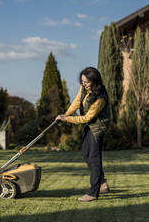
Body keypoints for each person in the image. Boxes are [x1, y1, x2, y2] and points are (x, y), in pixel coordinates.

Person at [56, 66, 110, 202]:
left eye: (86, 82)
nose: (84, 84)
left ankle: (93, 192)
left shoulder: (100, 98)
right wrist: (65, 114)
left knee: (94, 157)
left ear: (94, 81)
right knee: (85, 153)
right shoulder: (84, 88)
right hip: (90, 125)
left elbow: (86, 118)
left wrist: (67, 119)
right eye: (82, 81)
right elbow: (77, 101)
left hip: (98, 127)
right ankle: (102, 183)